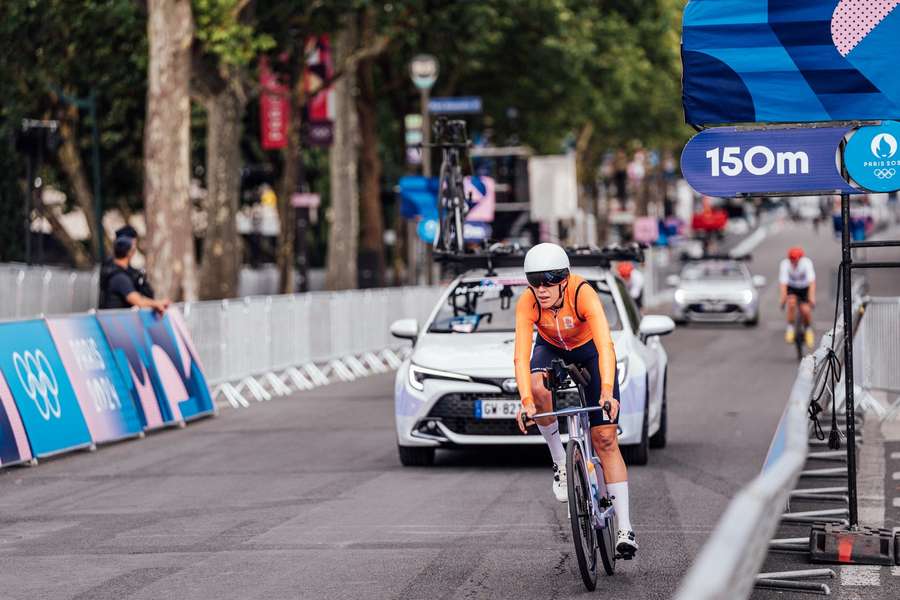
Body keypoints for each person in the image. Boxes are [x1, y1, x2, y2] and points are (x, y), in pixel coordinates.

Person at [513, 243, 638, 558]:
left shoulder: (583, 293)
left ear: (564, 279)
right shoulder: (528, 302)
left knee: (605, 439)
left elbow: (606, 345)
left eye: (548, 281)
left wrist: (607, 390)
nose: (541, 289)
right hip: (551, 347)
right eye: (534, 282)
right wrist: (526, 400)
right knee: (539, 388)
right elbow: (520, 355)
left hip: (590, 352)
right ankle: (559, 462)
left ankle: (625, 529)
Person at [99, 225, 170, 312]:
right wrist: (157, 303)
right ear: (131, 250)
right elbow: (138, 301)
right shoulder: (119, 276)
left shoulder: (117, 271)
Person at [779, 246, 816, 348]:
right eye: (792, 260)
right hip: (792, 287)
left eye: (796, 260)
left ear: (800, 259)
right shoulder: (785, 264)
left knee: (805, 310)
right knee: (791, 303)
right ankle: (790, 327)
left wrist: (812, 298)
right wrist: (782, 300)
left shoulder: (807, 263)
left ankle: (808, 330)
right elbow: (783, 285)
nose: (794, 262)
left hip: (804, 288)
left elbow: (812, 283)